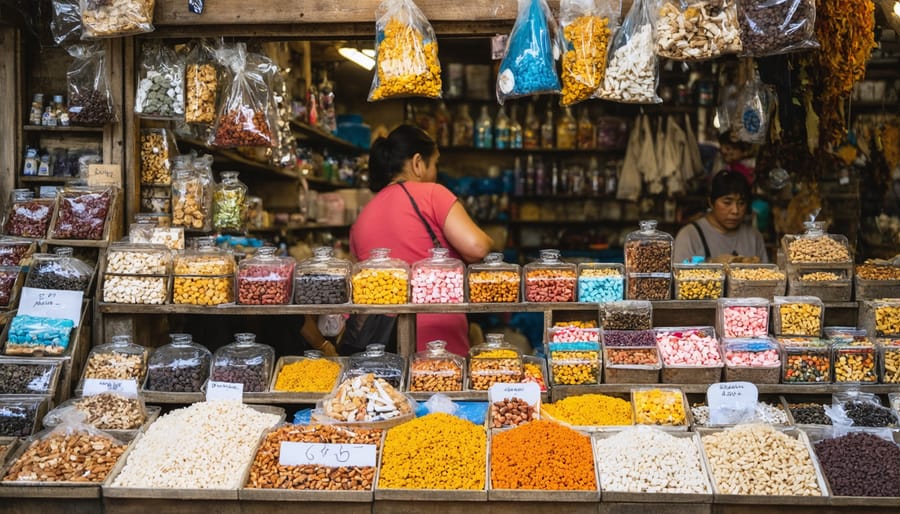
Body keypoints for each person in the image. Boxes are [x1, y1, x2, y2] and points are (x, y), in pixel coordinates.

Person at [349, 124, 494, 356]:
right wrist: (490, 241)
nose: (436, 171)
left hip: (379, 347)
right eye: (435, 163)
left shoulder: (362, 217)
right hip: (436, 342)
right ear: (418, 163)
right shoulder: (432, 193)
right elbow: (477, 247)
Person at [673, 169, 769, 264]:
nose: (735, 211)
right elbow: (679, 273)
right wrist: (711, 264)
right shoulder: (689, 236)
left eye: (741, 203)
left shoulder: (754, 237)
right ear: (711, 203)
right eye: (727, 203)